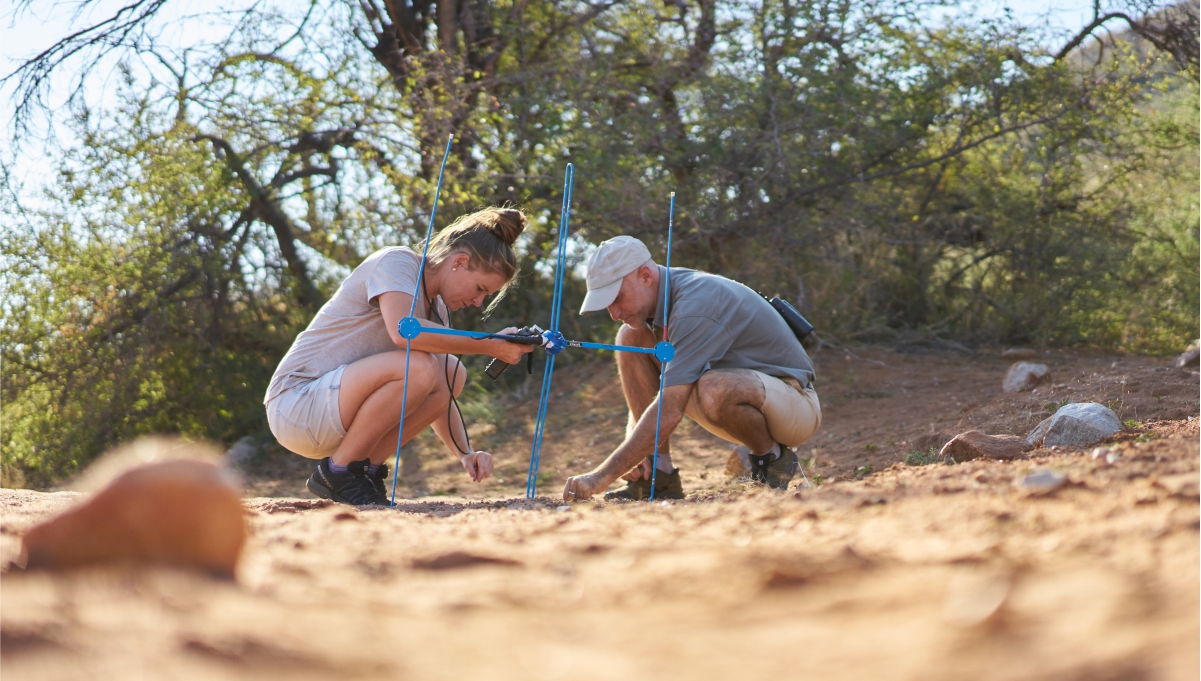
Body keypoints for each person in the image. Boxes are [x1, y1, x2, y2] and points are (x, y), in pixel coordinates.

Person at [264, 207, 534, 507]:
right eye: (480, 289)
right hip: (295, 405)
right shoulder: (397, 262)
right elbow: (404, 331)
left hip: (335, 412)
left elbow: (440, 392)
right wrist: (489, 343)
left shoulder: (438, 311)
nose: (477, 301)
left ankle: (362, 471)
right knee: (420, 366)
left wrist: (464, 453)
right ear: (459, 262)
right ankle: (338, 474)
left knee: (451, 369)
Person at [562, 236, 821, 502]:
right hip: (742, 398)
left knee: (714, 386)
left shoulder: (694, 306)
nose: (613, 312)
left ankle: (773, 460)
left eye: (616, 298)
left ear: (645, 276)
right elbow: (659, 402)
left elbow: (669, 410)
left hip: (795, 404)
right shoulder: (664, 300)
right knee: (629, 337)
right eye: (607, 304)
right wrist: (636, 454)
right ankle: (658, 474)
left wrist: (601, 477)